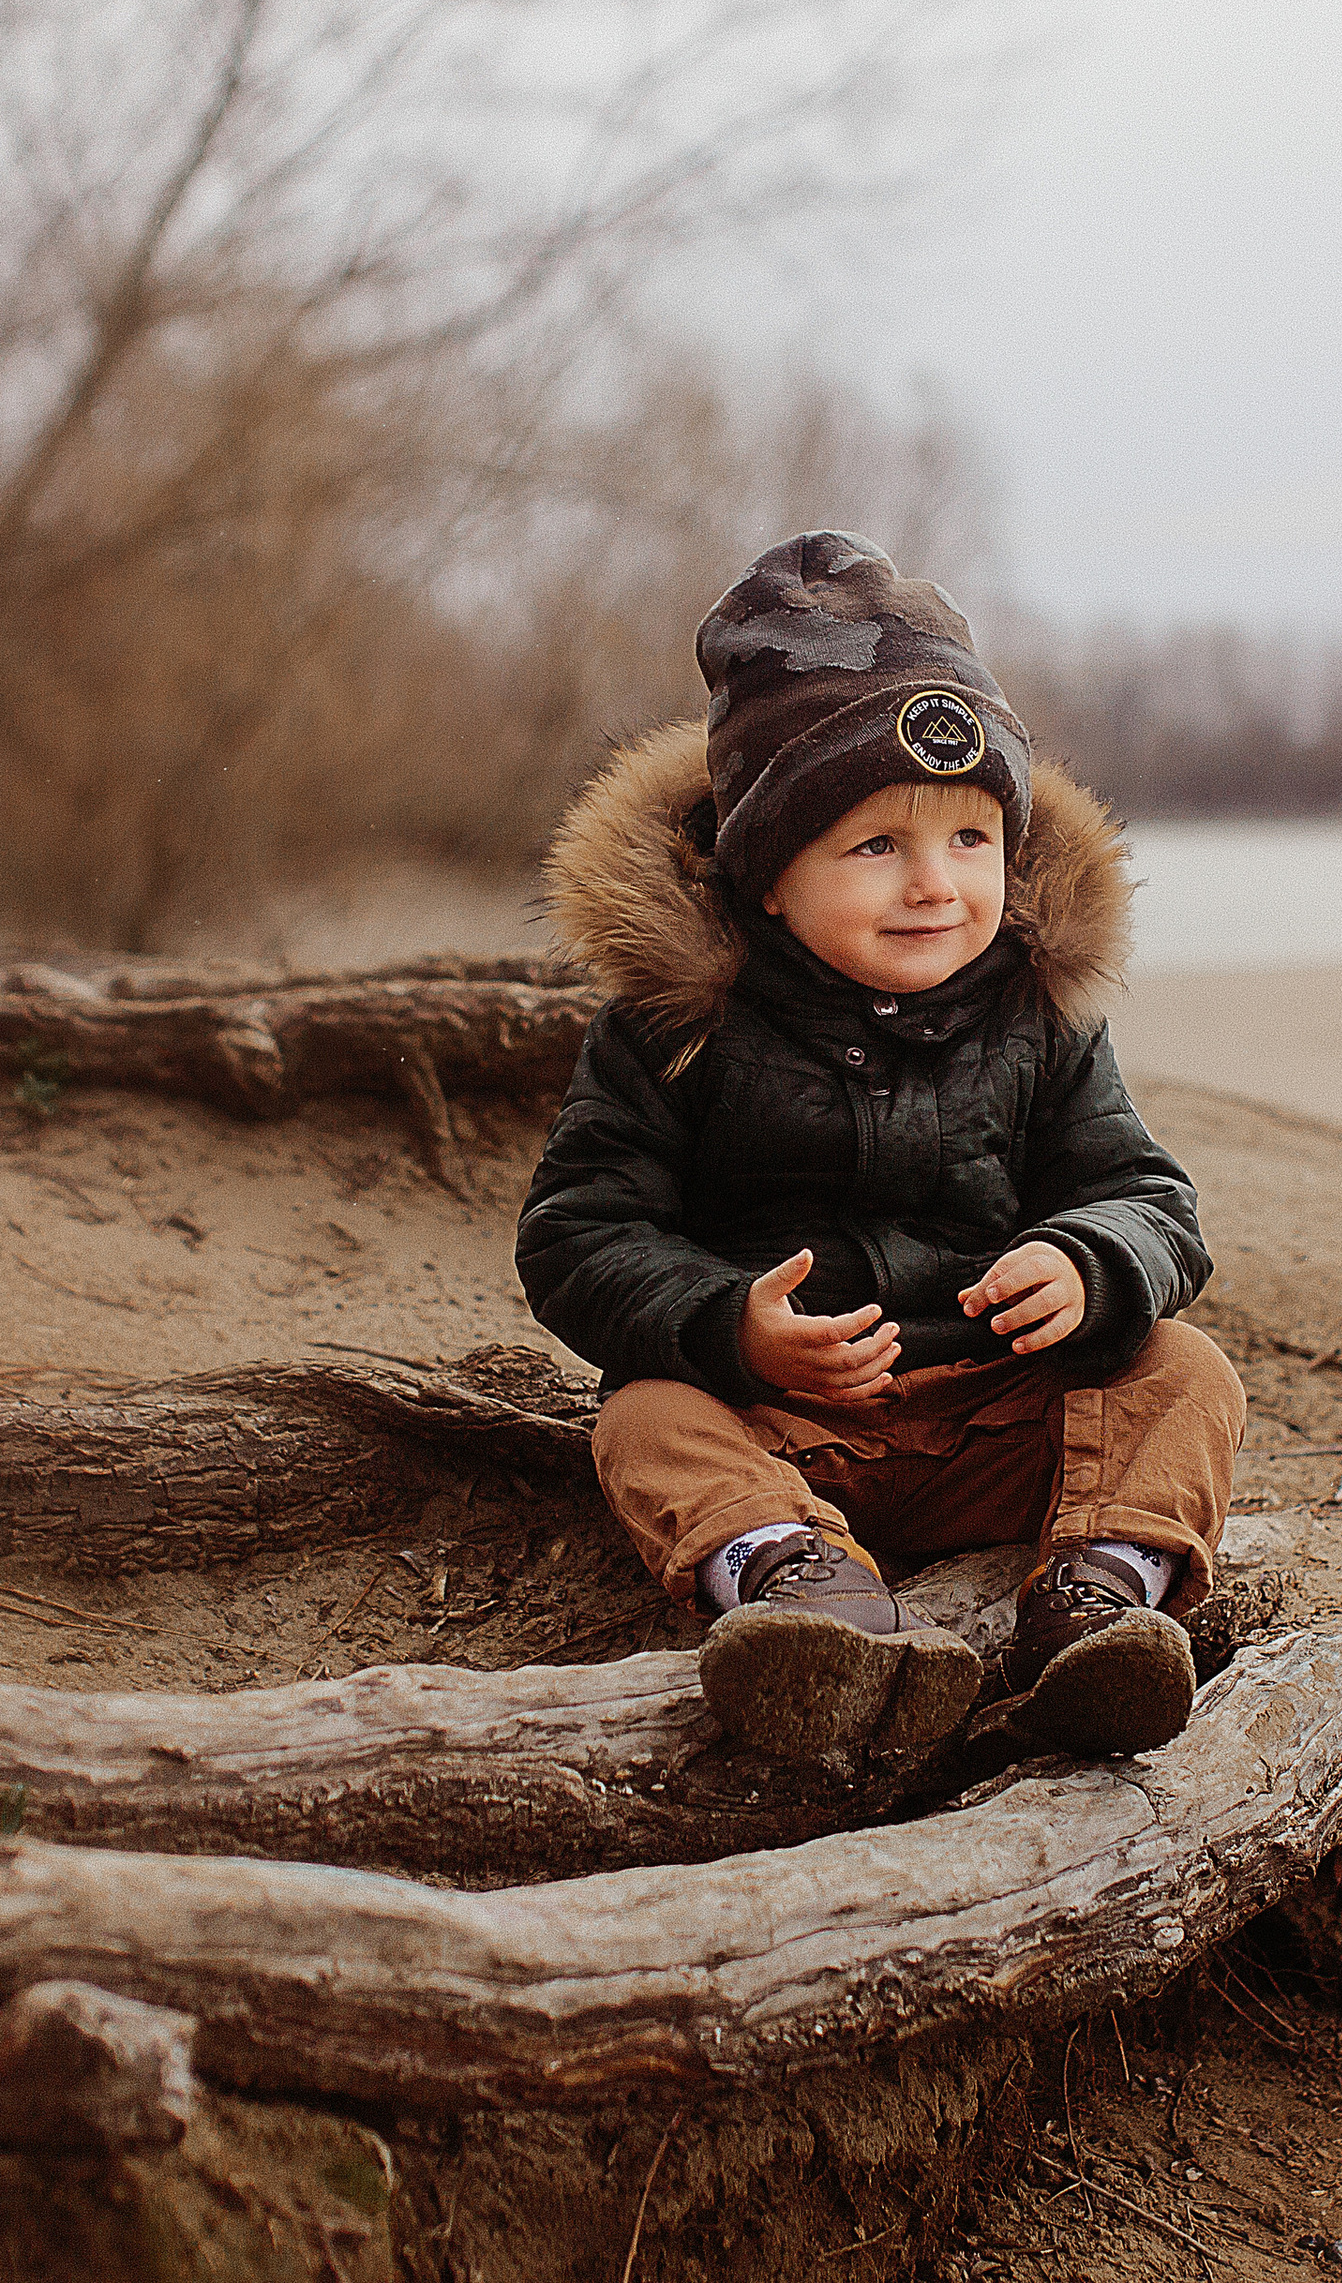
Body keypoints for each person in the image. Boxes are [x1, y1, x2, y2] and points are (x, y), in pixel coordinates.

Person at [515, 531, 1246, 1762]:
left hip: (995, 1417)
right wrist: (726, 1323)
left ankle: (1098, 1593)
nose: (935, 886)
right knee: (642, 1418)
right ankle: (795, 1580)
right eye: (875, 847)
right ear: (763, 875)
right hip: (783, 1419)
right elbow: (579, 1231)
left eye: (970, 841)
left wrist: (1086, 1261)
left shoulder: (1036, 1015)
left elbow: (1146, 1195)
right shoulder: (678, 1029)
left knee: (1185, 1370)